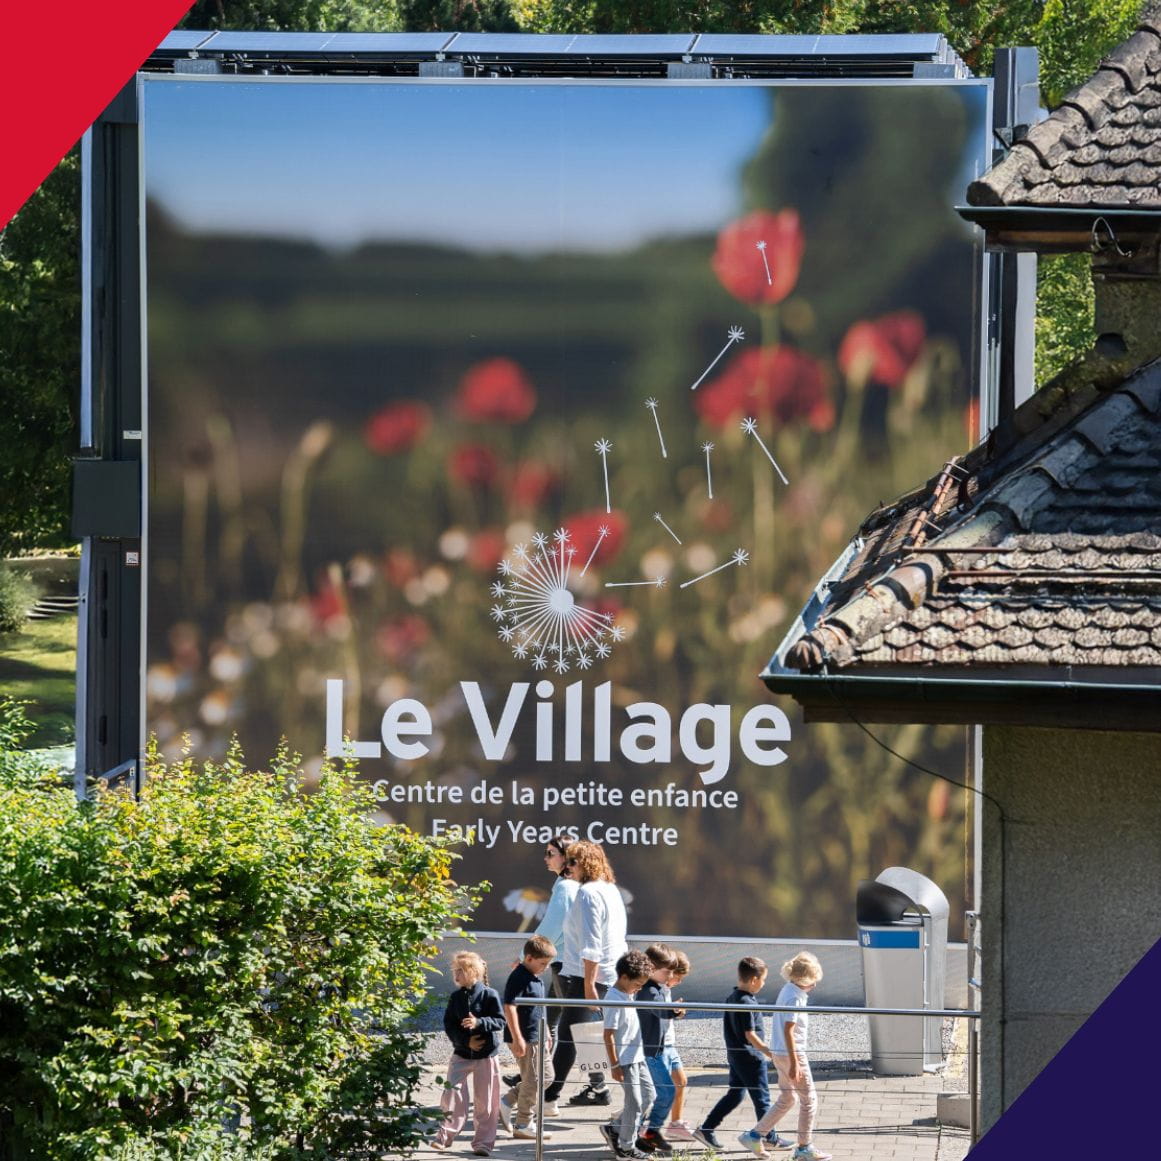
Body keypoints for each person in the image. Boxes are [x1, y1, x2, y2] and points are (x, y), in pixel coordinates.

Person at [543, 840, 627, 1108]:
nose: (568, 868)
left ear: (584, 863)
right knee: (584, 1035)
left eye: (572, 862)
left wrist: (589, 984)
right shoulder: (610, 889)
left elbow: (592, 943)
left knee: (568, 1037)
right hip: (603, 973)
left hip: (587, 976)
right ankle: (597, 1087)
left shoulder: (588, 893)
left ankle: (546, 1099)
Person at [693, 956, 792, 1152]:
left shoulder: (733, 996)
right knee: (762, 1098)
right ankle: (769, 1138)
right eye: (763, 980)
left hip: (736, 1056)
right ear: (754, 979)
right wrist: (770, 1053)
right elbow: (750, 1034)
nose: (763, 984)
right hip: (750, 1058)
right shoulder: (747, 1001)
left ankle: (706, 1128)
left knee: (736, 1094)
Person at [741, 952, 832, 1161]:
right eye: (812, 982)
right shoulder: (795, 997)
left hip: (779, 1053)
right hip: (793, 1054)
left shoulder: (787, 989)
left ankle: (755, 1135)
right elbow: (789, 1030)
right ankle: (804, 1147)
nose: (814, 986)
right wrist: (794, 1063)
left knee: (787, 1097)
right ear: (803, 980)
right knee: (809, 1100)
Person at [432, 951, 505, 1157]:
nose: (456, 975)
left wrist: (479, 1022)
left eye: (460, 971)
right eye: (454, 971)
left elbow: (500, 1021)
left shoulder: (489, 994)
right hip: (462, 1054)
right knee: (452, 1093)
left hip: (486, 1056)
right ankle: (445, 1136)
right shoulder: (455, 997)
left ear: (473, 972)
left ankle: (483, 1143)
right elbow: (449, 1025)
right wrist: (466, 1041)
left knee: (487, 1101)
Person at [499, 934, 557, 1141]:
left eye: (548, 963)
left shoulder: (535, 978)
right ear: (529, 958)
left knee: (547, 1077)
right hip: (526, 1038)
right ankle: (523, 1123)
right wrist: (517, 1038)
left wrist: (547, 1031)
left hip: (538, 1035)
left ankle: (508, 1100)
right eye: (543, 963)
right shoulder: (520, 976)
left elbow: (539, 1007)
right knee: (532, 1080)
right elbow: (509, 1007)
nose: (546, 967)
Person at [599, 949, 655, 1160]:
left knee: (650, 1097)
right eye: (637, 984)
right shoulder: (614, 999)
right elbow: (608, 1035)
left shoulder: (627, 993)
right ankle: (625, 1147)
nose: (639, 988)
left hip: (637, 1057)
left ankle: (615, 1128)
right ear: (623, 977)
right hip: (625, 1061)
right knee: (635, 1103)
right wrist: (614, 1065)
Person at [532, 834, 579, 1044]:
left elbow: (552, 927)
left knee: (577, 1026)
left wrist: (528, 954)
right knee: (551, 1020)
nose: (545, 858)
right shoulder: (571, 883)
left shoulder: (565, 887)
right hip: (566, 962)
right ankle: (541, 1069)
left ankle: (596, 1077)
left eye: (550, 853)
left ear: (566, 857)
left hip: (566, 965)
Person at [637, 943, 679, 1154]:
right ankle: (645, 1132)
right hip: (649, 1052)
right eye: (667, 971)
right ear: (651, 969)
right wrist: (674, 1011)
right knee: (664, 1092)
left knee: (652, 1095)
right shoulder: (648, 991)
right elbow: (659, 1011)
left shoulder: (660, 987)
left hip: (656, 1050)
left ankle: (647, 1132)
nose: (670, 975)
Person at [664, 949, 695, 1142]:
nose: (679, 982)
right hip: (661, 1045)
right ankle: (629, 1122)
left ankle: (675, 1123)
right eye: (679, 977)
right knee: (655, 1090)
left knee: (681, 1081)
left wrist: (675, 1011)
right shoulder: (654, 990)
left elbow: (665, 1014)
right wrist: (673, 1011)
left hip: (669, 1043)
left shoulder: (665, 990)